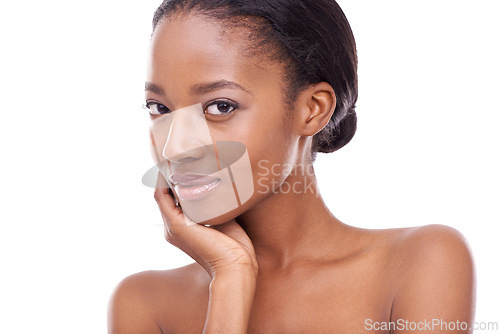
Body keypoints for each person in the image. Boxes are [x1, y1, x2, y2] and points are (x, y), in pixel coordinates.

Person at [108, 0, 476, 333]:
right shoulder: (144, 303)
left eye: (220, 106)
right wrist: (231, 279)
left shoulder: (421, 262)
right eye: (159, 108)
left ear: (312, 109)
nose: (175, 147)